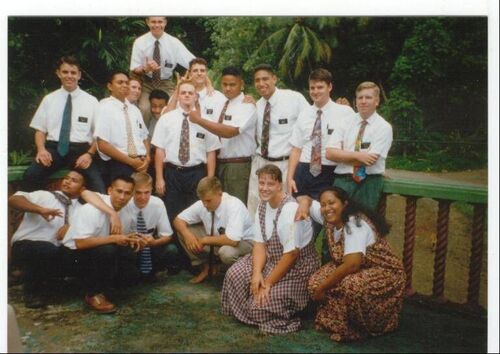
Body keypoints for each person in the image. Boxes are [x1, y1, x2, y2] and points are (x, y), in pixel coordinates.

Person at [221, 164, 320, 334]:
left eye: (270, 184)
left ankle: (298, 309)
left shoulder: (289, 209)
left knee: (258, 307)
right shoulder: (262, 205)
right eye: (261, 183)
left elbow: (291, 255)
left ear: (279, 185)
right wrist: (257, 273)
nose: (264, 188)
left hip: (297, 268)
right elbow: (259, 244)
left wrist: (267, 284)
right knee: (234, 274)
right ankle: (255, 302)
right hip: (272, 260)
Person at [303, 186, 405, 342]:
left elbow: (352, 265)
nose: (327, 208)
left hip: (383, 272)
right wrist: (304, 203)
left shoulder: (354, 224)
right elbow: (308, 201)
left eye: (332, 203)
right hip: (355, 267)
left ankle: (362, 328)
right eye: (323, 204)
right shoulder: (328, 216)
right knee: (314, 282)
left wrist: (323, 288)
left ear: (345, 204)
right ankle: (335, 322)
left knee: (352, 285)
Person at [9, 170, 121, 308]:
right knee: (46, 250)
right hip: (26, 246)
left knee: (96, 251)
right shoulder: (45, 196)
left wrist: (70, 228)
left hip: (57, 250)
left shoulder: (81, 209)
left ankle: (93, 292)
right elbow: (13, 200)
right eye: (66, 178)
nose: (67, 181)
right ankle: (32, 293)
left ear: (82, 188)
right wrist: (39, 209)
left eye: (74, 180)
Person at [61, 175, 144, 313]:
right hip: (72, 255)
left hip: (97, 251)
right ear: (110, 190)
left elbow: (121, 237)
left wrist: (133, 239)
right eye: (119, 191)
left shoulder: (128, 210)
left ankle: (103, 286)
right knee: (107, 250)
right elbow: (80, 243)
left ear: (132, 195)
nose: (122, 197)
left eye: (127, 193)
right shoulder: (92, 208)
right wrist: (113, 238)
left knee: (131, 271)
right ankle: (93, 294)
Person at [22, 56, 105, 193]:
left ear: (79, 75)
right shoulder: (49, 99)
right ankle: (38, 210)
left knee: (97, 186)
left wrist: (89, 154)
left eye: (73, 73)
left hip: (81, 152)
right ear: (58, 73)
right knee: (30, 176)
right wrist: (42, 150)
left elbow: (100, 134)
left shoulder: (91, 101)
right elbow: (40, 130)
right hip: (54, 150)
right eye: (65, 72)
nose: (69, 76)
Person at [151, 79, 221, 220]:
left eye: (190, 93)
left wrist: (210, 179)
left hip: (197, 173)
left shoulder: (205, 121)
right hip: (172, 173)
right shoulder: (166, 119)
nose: (187, 95)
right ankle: (174, 242)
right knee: (172, 212)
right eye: (183, 93)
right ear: (178, 95)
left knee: (196, 213)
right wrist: (159, 178)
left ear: (196, 96)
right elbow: (159, 150)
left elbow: (211, 152)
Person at [187, 66, 257, 204]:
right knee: (221, 206)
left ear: (241, 84)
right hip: (221, 163)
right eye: (225, 84)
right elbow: (208, 121)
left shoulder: (247, 106)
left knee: (237, 206)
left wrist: (199, 120)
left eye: (232, 84)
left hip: (238, 166)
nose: (228, 88)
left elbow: (230, 132)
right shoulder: (221, 103)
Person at [247, 64, 309, 217]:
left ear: (274, 78)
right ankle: (258, 239)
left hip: (285, 164)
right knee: (256, 208)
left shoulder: (294, 98)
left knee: (284, 208)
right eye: (257, 80)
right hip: (261, 162)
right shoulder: (256, 105)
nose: (261, 84)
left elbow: (311, 121)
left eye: (265, 79)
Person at [288, 68, 354, 200]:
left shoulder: (345, 113)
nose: (315, 91)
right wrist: (290, 178)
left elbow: (352, 144)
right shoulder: (304, 113)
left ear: (330, 87)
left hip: (329, 171)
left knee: (325, 216)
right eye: (312, 88)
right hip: (303, 171)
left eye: (320, 87)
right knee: (299, 215)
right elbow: (296, 149)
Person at [326, 81, 393, 211]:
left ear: (377, 101)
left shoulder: (384, 127)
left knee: (362, 222)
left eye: (368, 97)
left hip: (368, 183)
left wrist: (341, 155)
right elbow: (329, 153)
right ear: (355, 101)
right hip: (342, 180)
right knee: (335, 220)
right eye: (360, 97)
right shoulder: (345, 123)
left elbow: (370, 160)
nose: (363, 101)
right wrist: (359, 156)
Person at [174, 176, 254, 284]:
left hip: (245, 243)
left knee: (226, 252)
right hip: (218, 241)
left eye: (208, 200)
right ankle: (207, 267)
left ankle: (243, 276)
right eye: (202, 201)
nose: (205, 204)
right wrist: (187, 234)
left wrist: (204, 240)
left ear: (219, 193)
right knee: (184, 231)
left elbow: (233, 240)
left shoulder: (234, 204)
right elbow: (178, 220)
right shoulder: (203, 204)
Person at [130, 16, 195, 124]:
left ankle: (170, 138)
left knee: (175, 108)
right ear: (147, 22)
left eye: (160, 22)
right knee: (144, 109)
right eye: (153, 22)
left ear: (165, 22)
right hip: (146, 82)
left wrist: (205, 81)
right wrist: (145, 69)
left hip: (166, 82)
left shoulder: (174, 43)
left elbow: (192, 63)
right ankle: (143, 138)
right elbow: (135, 69)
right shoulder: (139, 42)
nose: (156, 25)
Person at [94, 71, 150, 183]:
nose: (125, 85)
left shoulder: (135, 110)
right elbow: (102, 144)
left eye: (126, 83)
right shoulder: (105, 107)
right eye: (120, 82)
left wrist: (147, 158)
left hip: (141, 164)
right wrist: (131, 162)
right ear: (110, 86)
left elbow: (144, 137)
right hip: (119, 164)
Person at [120, 172, 176, 281]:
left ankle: (154, 270)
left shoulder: (158, 203)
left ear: (151, 190)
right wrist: (131, 240)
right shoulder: (124, 203)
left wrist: (154, 242)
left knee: (171, 250)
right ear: (131, 191)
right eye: (138, 193)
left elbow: (167, 236)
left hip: (150, 245)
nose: (143, 197)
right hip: (129, 246)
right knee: (131, 277)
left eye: (147, 192)